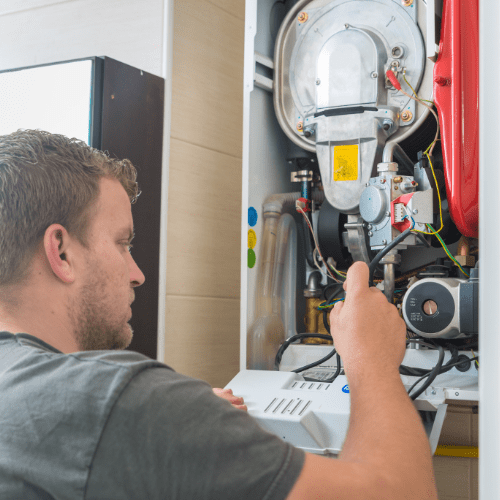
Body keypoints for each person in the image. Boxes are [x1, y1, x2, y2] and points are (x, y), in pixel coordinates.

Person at [0, 129, 437, 500]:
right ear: (60, 250)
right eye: (123, 243)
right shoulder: (114, 403)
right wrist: (371, 361)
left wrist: (181, 427)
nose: (137, 274)